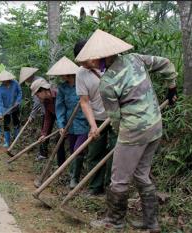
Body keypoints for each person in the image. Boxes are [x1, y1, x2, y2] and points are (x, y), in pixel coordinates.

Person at [75, 29, 178, 231]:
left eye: (93, 59)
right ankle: (151, 223)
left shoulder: (107, 82)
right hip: (155, 126)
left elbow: (115, 119)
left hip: (133, 132)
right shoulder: (135, 59)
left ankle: (114, 221)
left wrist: (124, 140)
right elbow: (165, 63)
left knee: (119, 179)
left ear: (102, 56)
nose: (91, 63)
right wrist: (171, 86)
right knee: (141, 174)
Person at [74, 39, 117, 196]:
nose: (84, 64)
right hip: (97, 118)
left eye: (85, 60)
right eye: (81, 61)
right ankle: (95, 188)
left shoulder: (112, 65)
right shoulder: (81, 73)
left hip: (116, 118)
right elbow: (84, 102)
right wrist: (93, 125)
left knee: (115, 153)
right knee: (94, 153)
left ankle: (112, 188)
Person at [47, 56, 89, 188]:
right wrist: (61, 125)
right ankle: (73, 175)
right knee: (72, 150)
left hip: (85, 123)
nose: (61, 77)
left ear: (67, 74)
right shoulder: (63, 88)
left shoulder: (83, 83)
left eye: (62, 75)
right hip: (70, 125)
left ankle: (74, 178)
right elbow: (60, 108)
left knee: (78, 150)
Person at [19, 67, 48, 161]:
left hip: (47, 111)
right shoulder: (37, 80)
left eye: (26, 79)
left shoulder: (37, 82)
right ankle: (43, 153)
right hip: (46, 110)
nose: (26, 81)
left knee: (44, 132)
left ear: (29, 77)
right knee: (45, 132)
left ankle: (43, 154)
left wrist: (32, 115)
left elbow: (37, 102)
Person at [0, 70, 22, 148]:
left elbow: (20, 92)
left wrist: (18, 101)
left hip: (15, 107)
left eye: (5, 80)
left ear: (8, 79)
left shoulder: (15, 83)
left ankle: (17, 139)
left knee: (16, 123)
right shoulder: (0, 89)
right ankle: (7, 142)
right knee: (6, 124)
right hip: (5, 109)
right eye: (2, 80)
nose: (4, 81)